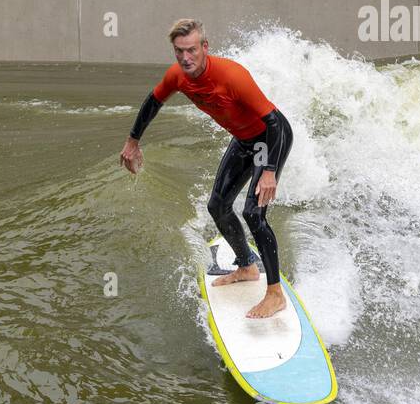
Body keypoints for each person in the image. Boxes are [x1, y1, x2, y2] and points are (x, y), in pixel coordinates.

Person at [119, 20, 295, 320]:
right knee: (218, 206)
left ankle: (275, 294)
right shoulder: (177, 76)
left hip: (269, 139)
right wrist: (133, 142)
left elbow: (274, 123)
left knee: (254, 212)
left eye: (191, 50)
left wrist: (268, 171)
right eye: (179, 52)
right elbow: (153, 102)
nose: (186, 58)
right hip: (243, 140)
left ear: (205, 47)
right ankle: (246, 266)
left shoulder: (232, 75)